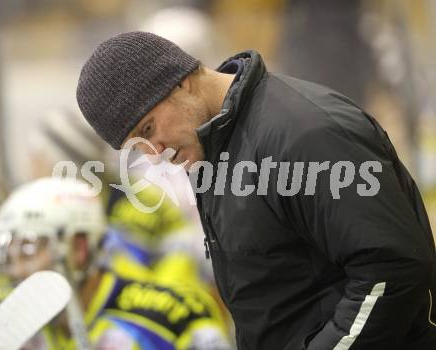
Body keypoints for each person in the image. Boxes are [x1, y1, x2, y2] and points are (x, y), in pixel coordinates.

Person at [75, 31, 436, 349]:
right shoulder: (210, 148)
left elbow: (393, 267)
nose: (155, 154)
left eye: (149, 128)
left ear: (179, 81)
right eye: (137, 147)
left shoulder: (305, 134)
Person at [0, 177, 231, 350]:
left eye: (28, 251)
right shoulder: (14, 324)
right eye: (8, 257)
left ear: (79, 248)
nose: (16, 271)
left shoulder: (172, 316)